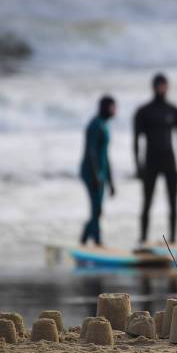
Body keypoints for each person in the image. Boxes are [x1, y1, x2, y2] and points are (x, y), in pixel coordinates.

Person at [134, 73, 177, 244]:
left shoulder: (174, 110)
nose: (162, 89)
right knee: (147, 202)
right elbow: (136, 140)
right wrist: (138, 166)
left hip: (170, 161)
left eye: (165, 85)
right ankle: (143, 239)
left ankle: (173, 239)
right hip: (150, 162)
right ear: (154, 87)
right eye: (159, 85)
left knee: (173, 202)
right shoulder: (143, 111)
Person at [79, 95, 116, 246]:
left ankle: (85, 239)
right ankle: (96, 241)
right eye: (112, 107)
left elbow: (106, 156)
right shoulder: (94, 125)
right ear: (104, 107)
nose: (115, 111)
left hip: (100, 172)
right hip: (90, 172)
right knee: (97, 208)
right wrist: (95, 175)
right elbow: (91, 152)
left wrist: (111, 181)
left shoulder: (104, 125)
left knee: (98, 210)